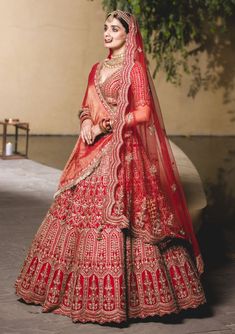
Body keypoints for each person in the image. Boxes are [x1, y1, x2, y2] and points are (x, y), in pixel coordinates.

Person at [15, 10, 206, 324]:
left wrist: (109, 125)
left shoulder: (135, 70)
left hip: (124, 152)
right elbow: (85, 107)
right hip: (93, 151)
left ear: (127, 35)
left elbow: (144, 114)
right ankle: (71, 291)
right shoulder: (96, 69)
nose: (107, 33)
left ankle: (136, 299)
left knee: (125, 217)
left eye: (114, 29)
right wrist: (88, 122)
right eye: (105, 28)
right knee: (77, 212)